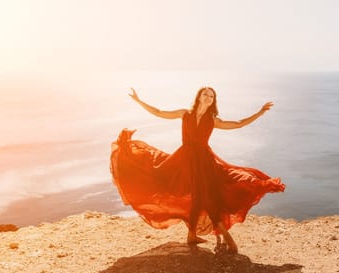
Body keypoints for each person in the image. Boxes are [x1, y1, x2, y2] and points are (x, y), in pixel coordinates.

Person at [110, 87, 285, 253]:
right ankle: (210, 234)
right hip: (184, 160)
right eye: (206, 94)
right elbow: (159, 112)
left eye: (211, 96)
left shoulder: (213, 120)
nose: (208, 98)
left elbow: (238, 124)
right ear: (199, 97)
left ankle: (197, 234)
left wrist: (260, 112)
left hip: (204, 162)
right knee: (191, 192)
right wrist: (139, 101)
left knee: (215, 189)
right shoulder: (185, 114)